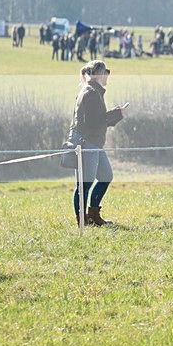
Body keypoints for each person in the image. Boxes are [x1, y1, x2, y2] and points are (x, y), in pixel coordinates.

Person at [67, 60, 127, 227]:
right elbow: (94, 122)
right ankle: (82, 220)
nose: (108, 74)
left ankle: (93, 215)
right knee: (84, 183)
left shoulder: (94, 91)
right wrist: (117, 113)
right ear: (99, 74)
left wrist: (116, 115)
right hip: (88, 144)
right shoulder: (91, 92)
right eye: (106, 71)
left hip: (95, 143)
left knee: (106, 176)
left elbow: (97, 121)